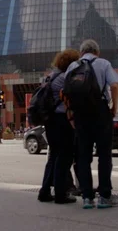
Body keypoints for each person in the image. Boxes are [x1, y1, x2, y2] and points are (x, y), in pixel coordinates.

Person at [65, 39, 118, 209]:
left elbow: (67, 92)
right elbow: (114, 85)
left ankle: (87, 198)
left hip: (81, 114)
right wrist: (113, 106)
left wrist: (71, 113)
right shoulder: (103, 63)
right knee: (104, 154)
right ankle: (105, 196)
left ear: (82, 52)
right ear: (97, 52)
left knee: (83, 156)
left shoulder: (72, 67)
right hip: (100, 111)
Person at [38, 49, 80, 204]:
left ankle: (44, 191)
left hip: (50, 121)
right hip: (63, 120)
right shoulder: (65, 78)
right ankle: (61, 194)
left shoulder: (49, 77)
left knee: (54, 155)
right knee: (65, 156)